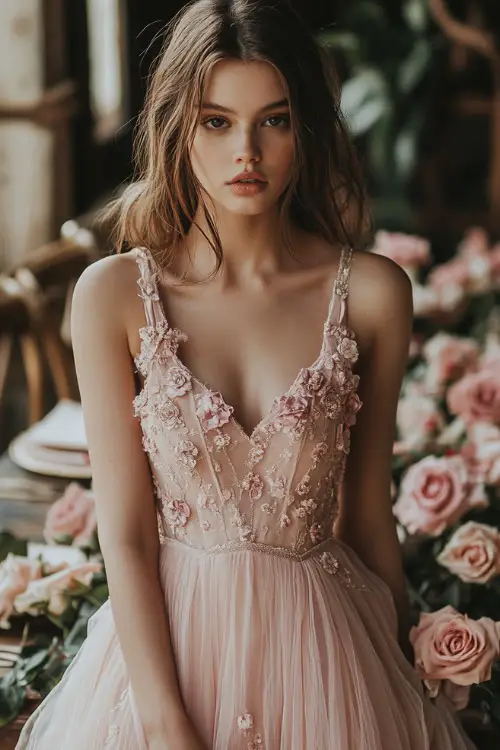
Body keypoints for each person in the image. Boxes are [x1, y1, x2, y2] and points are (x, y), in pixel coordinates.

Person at [16, 1, 477, 748]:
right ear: (177, 126)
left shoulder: (373, 293)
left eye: (275, 119)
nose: (247, 155)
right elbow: (127, 535)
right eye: (216, 121)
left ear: (309, 128)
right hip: (167, 658)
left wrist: (406, 679)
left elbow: (366, 518)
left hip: (331, 658)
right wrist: (163, 721)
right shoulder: (113, 296)